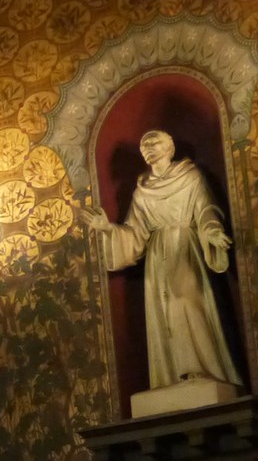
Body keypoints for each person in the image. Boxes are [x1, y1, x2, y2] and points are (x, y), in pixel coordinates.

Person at [80, 128, 244, 391]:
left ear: (170, 148)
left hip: (186, 246)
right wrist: (108, 228)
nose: (149, 148)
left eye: (154, 142)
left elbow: (205, 209)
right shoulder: (142, 192)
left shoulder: (190, 177)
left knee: (187, 300)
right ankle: (175, 376)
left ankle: (205, 369)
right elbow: (135, 234)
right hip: (158, 256)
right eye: (144, 145)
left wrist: (212, 231)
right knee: (164, 311)